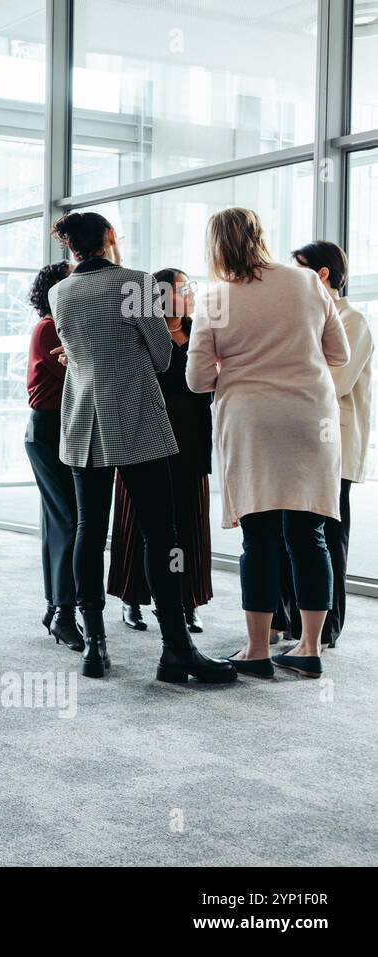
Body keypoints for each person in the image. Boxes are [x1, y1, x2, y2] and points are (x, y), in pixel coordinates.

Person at [49, 211, 233, 684]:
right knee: (161, 533)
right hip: (134, 417)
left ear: (71, 246)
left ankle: (94, 646)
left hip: (83, 419)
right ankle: (175, 648)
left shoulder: (61, 291)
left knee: (90, 529)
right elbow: (160, 355)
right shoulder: (137, 284)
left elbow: (79, 351)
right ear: (110, 237)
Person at [187, 210, 350, 680]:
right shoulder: (306, 282)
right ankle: (309, 648)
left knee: (258, 537)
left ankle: (257, 650)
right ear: (261, 235)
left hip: (250, 421)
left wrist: (239, 365)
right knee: (309, 534)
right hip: (310, 419)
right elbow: (337, 354)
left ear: (215, 246)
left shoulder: (215, 296)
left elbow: (198, 379)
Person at [271, 241, 373, 650]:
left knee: (328, 537)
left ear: (323, 274)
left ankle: (325, 630)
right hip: (295, 438)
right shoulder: (303, 317)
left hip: (333, 443)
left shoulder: (354, 320)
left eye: (298, 270)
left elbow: (337, 382)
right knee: (288, 533)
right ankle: (287, 621)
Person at [107, 268, 214, 635]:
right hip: (143, 437)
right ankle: (132, 598)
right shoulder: (141, 333)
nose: (191, 294)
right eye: (183, 289)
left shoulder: (201, 330)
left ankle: (186, 601)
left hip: (191, 441)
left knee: (188, 523)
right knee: (137, 523)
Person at [22, 262, 81, 650]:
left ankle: (54, 607)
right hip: (49, 428)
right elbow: (81, 370)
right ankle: (63, 611)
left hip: (51, 427)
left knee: (56, 521)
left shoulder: (57, 325)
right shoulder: (49, 326)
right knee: (70, 521)